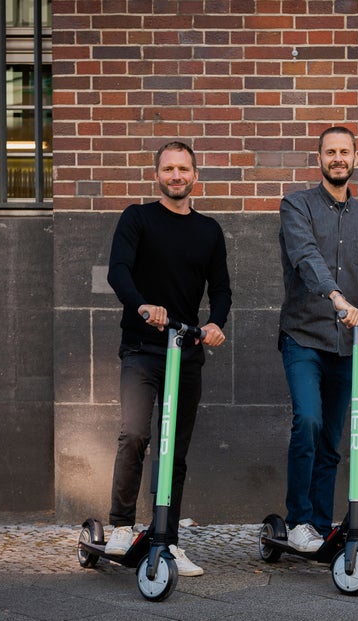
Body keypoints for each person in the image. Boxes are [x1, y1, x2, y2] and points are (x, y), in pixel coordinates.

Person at [103, 141, 232, 577]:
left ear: (195, 175)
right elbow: (118, 270)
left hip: (187, 352)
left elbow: (221, 289)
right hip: (142, 349)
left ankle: (167, 539)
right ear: (157, 174)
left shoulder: (209, 230)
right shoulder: (137, 218)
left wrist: (215, 322)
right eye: (168, 169)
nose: (176, 176)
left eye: (183, 169)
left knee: (174, 452)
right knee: (135, 435)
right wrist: (142, 305)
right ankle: (121, 525)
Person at [278, 126, 358, 552]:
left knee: (331, 436)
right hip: (303, 338)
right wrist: (336, 296)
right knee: (308, 422)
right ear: (319, 159)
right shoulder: (296, 205)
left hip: (348, 345)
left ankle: (317, 521)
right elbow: (305, 257)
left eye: (344, 152)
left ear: (354, 158)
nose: (337, 158)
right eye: (330, 152)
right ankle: (297, 522)